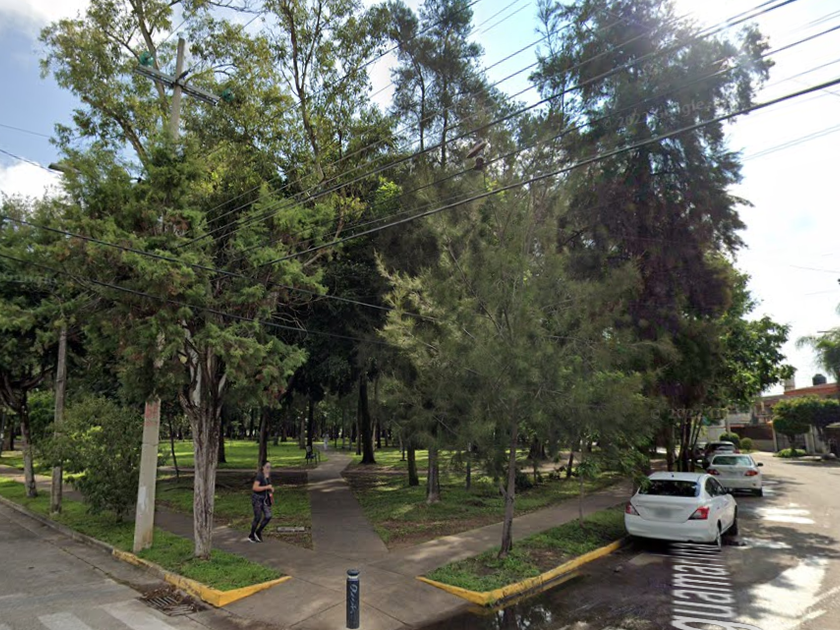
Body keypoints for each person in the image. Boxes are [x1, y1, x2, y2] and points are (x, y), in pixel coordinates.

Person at [249, 460, 273, 543]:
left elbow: (269, 486)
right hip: (257, 499)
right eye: (267, 467)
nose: (269, 469)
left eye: (270, 467)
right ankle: (251, 536)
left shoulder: (267, 476)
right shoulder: (259, 476)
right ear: (263, 467)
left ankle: (258, 532)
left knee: (268, 516)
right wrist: (266, 487)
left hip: (264, 499)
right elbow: (255, 488)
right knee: (257, 517)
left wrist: (270, 490)